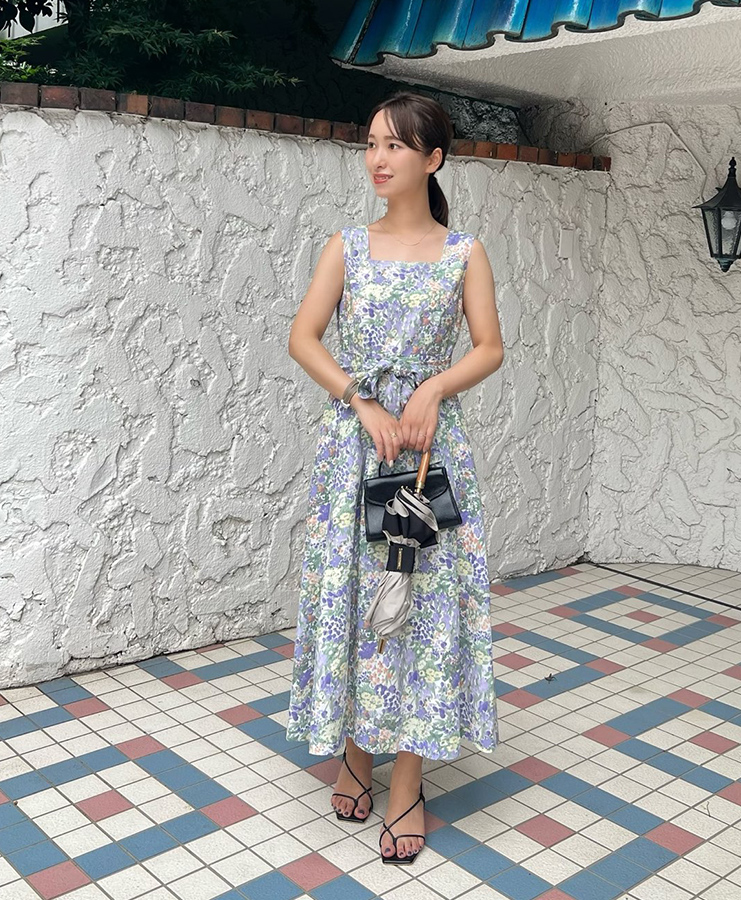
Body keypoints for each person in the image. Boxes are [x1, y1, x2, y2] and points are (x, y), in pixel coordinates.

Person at [285, 90, 504, 865]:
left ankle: (407, 779)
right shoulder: (346, 246)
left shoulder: (464, 251)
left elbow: (489, 346)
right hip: (357, 451)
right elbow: (304, 337)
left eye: (395, 146)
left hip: (430, 455)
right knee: (355, 595)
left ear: (432, 159)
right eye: (371, 144)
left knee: (421, 607)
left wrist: (434, 388)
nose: (377, 159)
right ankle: (354, 750)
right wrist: (360, 399)